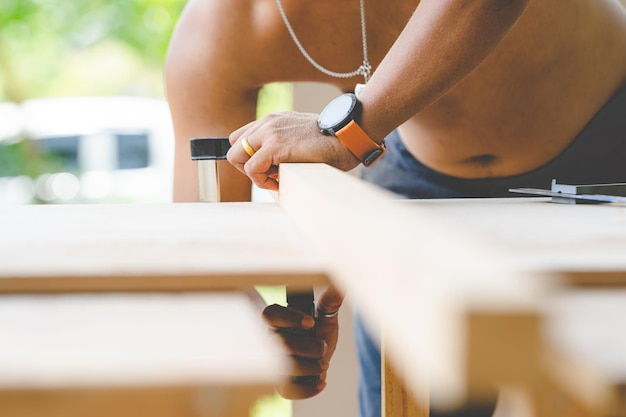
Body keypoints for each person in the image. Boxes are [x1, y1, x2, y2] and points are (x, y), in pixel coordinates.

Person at [165, 0, 626, 415]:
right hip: (416, 175)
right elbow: (206, 255)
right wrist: (263, 341)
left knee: (598, 379)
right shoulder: (216, 30)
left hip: (604, 139)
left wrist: (344, 129)